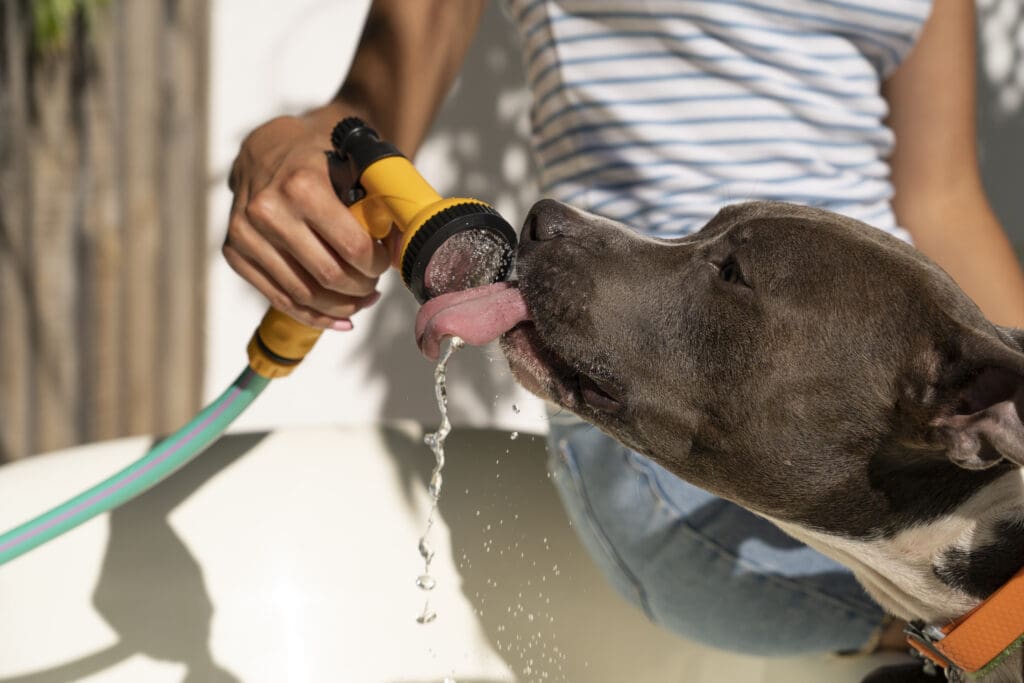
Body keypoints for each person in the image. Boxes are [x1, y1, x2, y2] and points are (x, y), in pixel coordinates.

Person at [223, 0, 1024, 656]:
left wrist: (1002, 404)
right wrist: (288, 147)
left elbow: (942, 201)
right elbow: (362, 108)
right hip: (670, 406)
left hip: (874, 413)